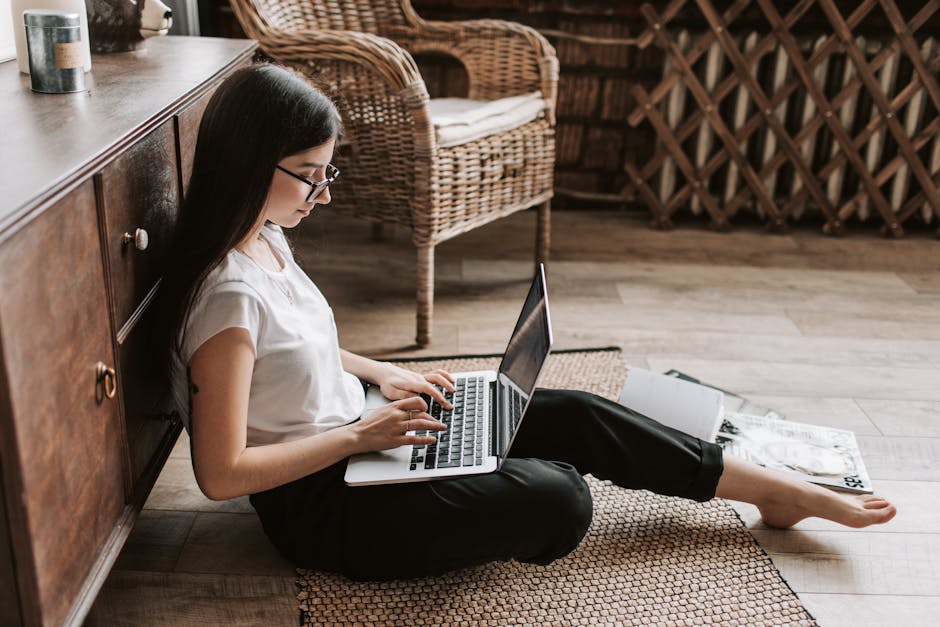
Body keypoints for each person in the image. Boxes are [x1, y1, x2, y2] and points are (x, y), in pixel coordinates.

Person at [154, 64, 896, 582]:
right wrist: (363, 434)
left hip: (361, 437)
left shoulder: (268, 238)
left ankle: (769, 487)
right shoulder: (226, 299)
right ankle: (480, 474)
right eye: (309, 174)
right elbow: (220, 474)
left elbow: (296, 344)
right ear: (254, 164)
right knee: (562, 496)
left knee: (573, 411)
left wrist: (381, 375)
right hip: (324, 505)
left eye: (327, 173)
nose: (322, 193)